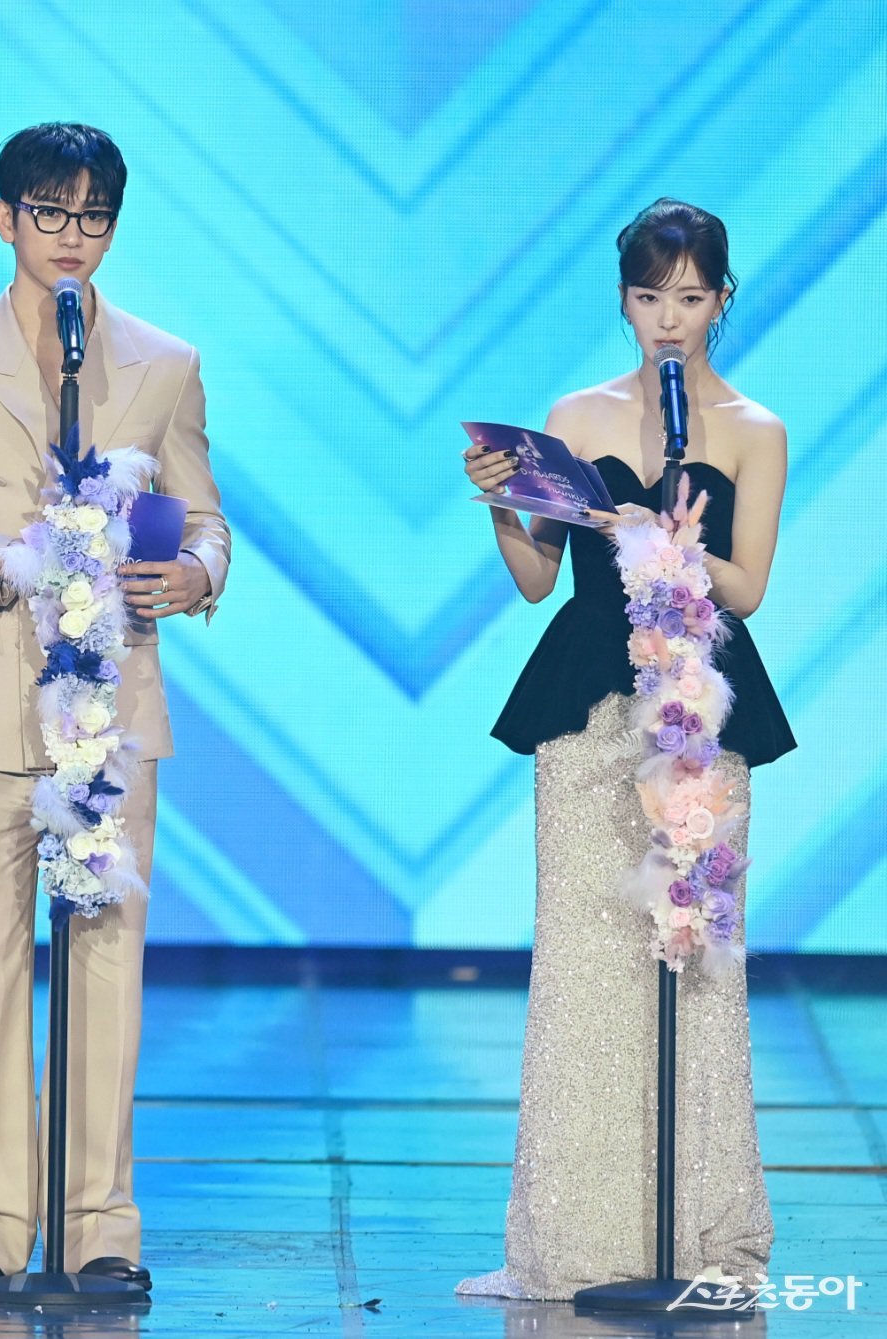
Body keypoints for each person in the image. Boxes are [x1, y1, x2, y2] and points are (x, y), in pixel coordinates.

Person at [0, 123, 230, 1298]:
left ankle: (97, 1225)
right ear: (5, 217)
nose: (73, 236)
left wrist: (196, 573)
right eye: (51, 212)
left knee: (106, 964)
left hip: (112, 711)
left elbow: (205, 517)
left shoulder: (162, 362)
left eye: (93, 216)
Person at [456, 198, 795, 1301]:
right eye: (650, 296)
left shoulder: (752, 428)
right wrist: (502, 510)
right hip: (589, 709)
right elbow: (536, 579)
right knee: (586, 964)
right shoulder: (578, 414)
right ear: (624, 301)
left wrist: (657, 539)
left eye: (690, 296)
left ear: (722, 300)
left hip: (697, 714)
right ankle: (575, 1237)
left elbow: (748, 586)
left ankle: (693, 1235)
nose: (669, 318)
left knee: (693, 961)